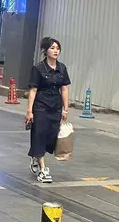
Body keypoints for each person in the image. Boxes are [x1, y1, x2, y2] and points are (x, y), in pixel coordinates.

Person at [25, 37, 71, 183]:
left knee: (51, 137)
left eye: (57, 48)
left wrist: (65, 109)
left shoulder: (62, 68)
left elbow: (64, 89)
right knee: (39, 135)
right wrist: (29, 111)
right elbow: (33, 90)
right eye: (52, 48)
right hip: (41, 106)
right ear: (46, 51)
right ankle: (43, 169)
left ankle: (35, 154)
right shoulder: (38, 68)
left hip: (55, 106)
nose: (56, 51)